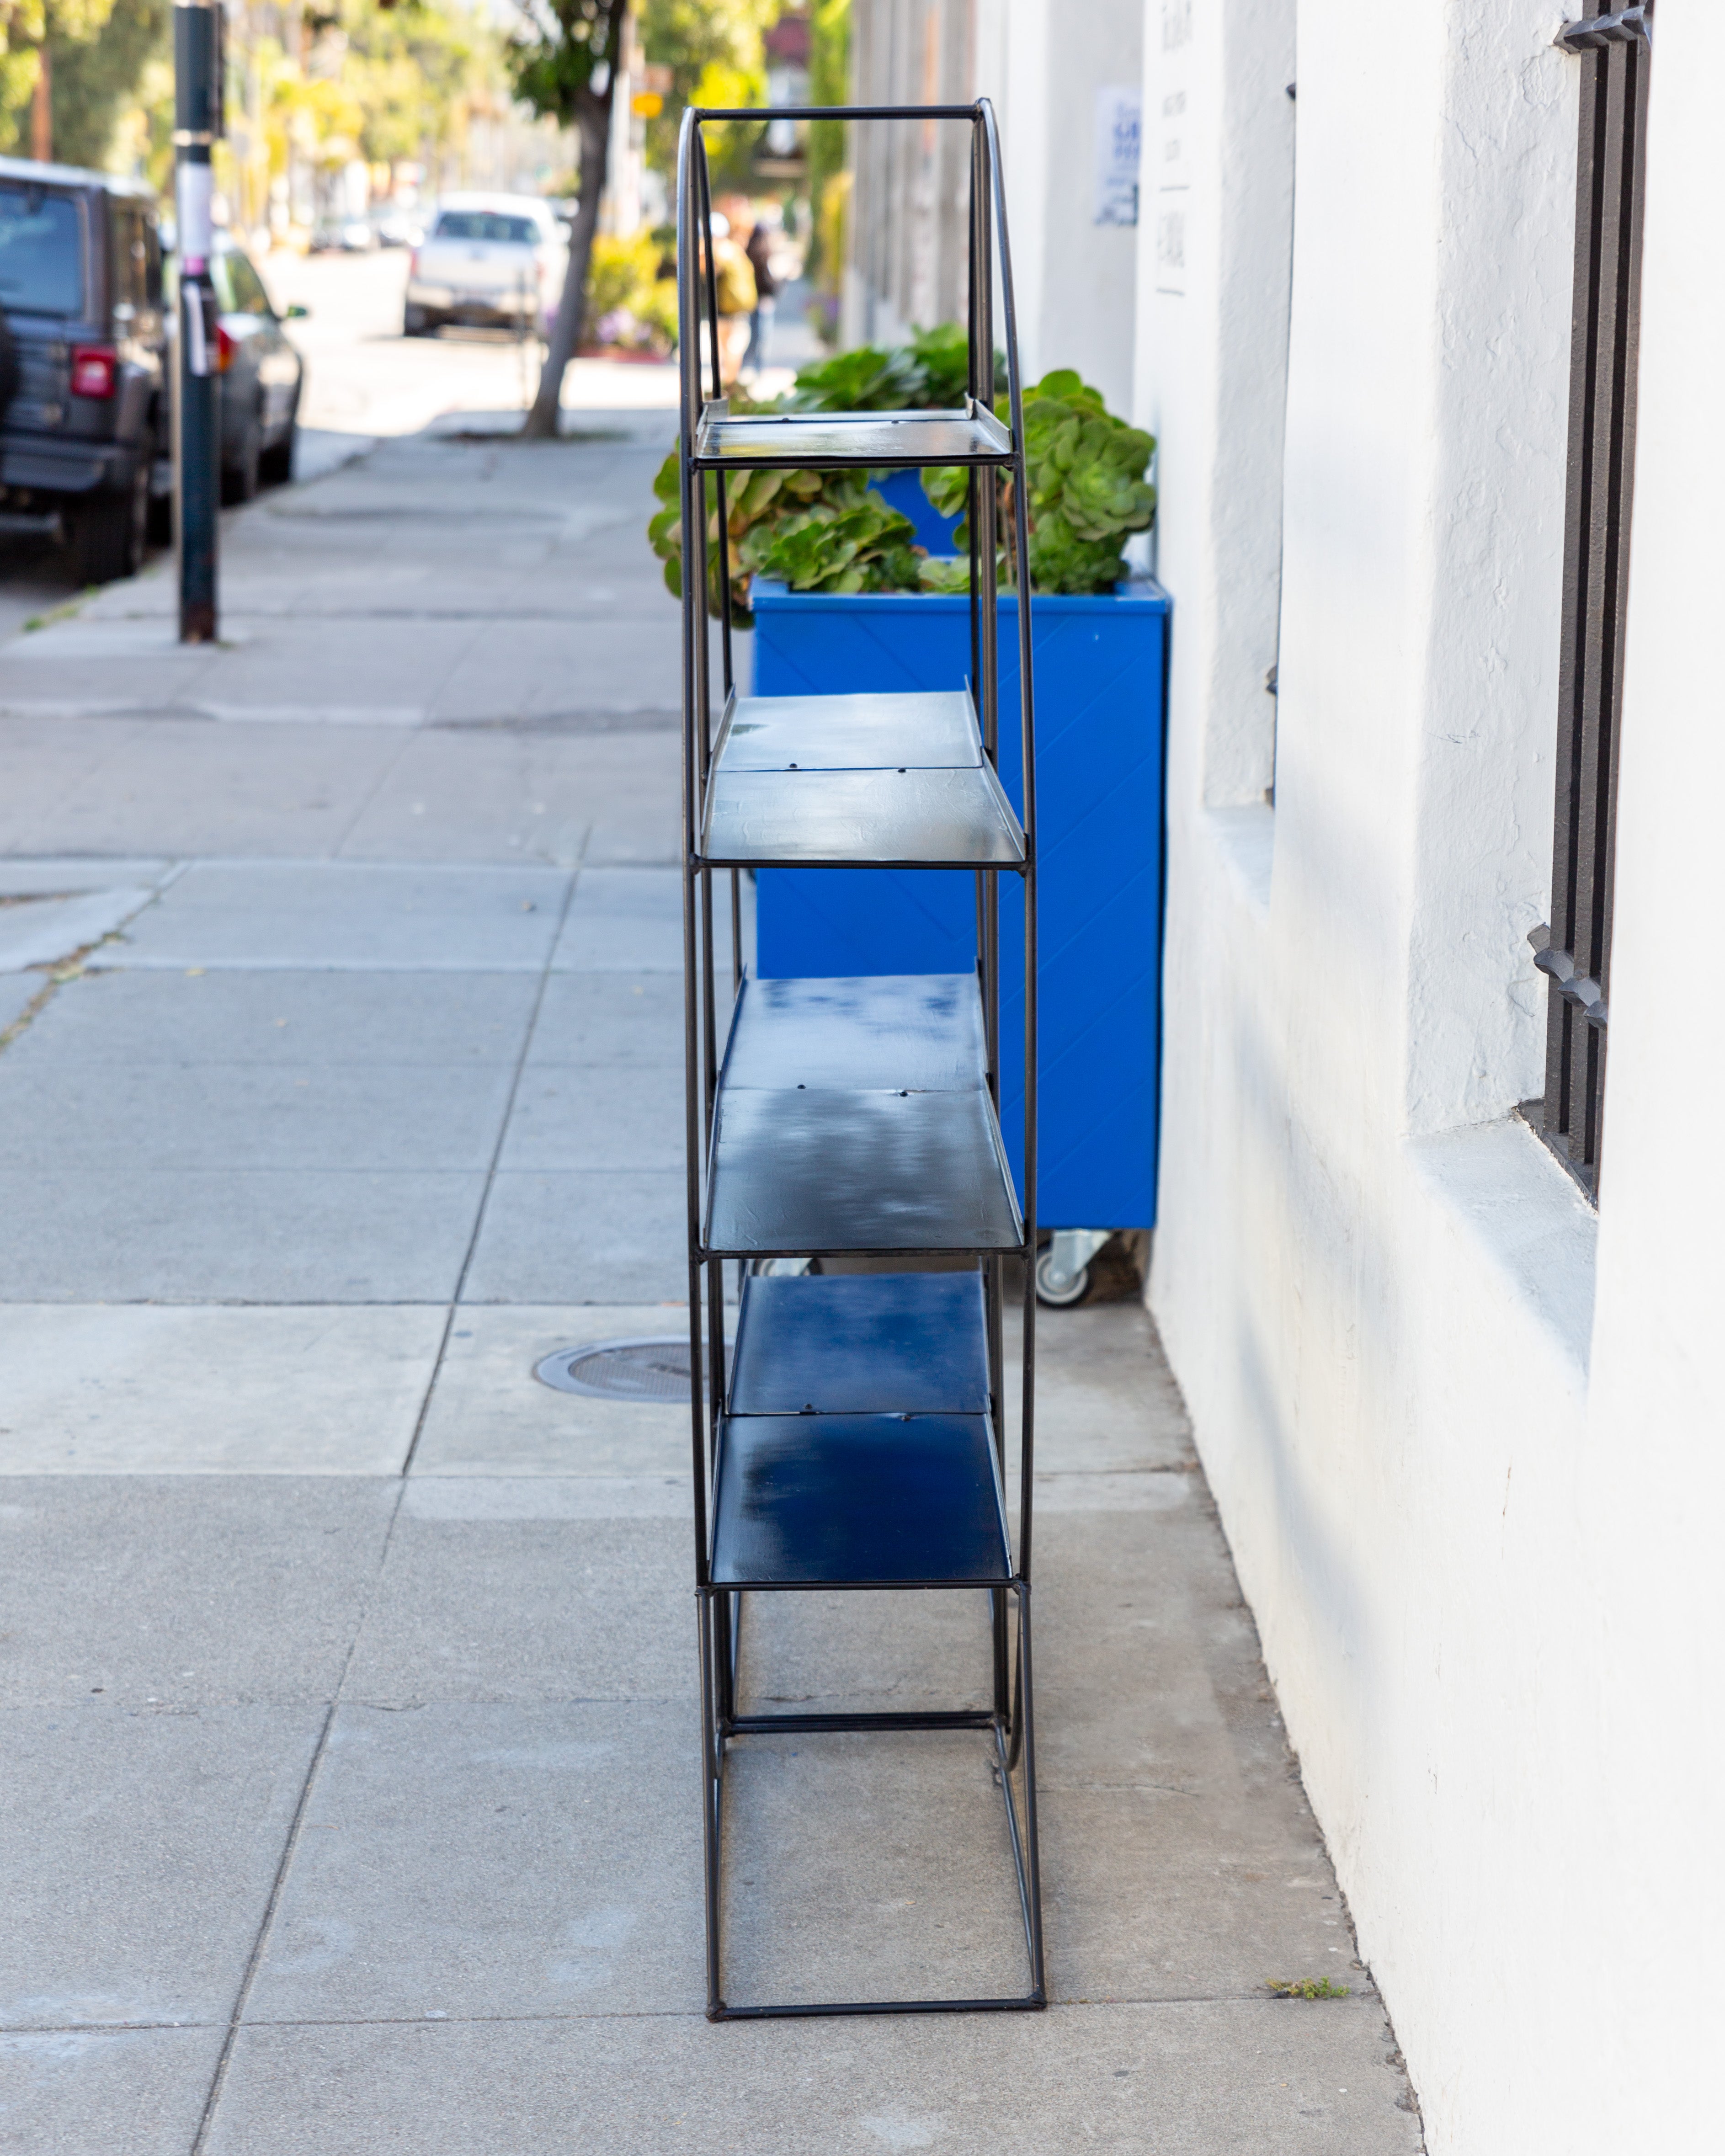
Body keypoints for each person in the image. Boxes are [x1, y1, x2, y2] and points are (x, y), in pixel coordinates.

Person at [707, 211, 756, 386]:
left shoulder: (719, 250)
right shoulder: (736, 251)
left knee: (727, 351)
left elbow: (709, 273)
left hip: (725, 310)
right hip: (738, 309)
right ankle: (730, 385)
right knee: (731, 350)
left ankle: (728, 385)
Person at [742, 207, 780, 378]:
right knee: (762, 335)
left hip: (754, 298)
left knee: (756, 334)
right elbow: (769, 279)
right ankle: (756, 368)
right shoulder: (763, 252)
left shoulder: (749, 251)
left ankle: (749, 368)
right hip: (763, 299)